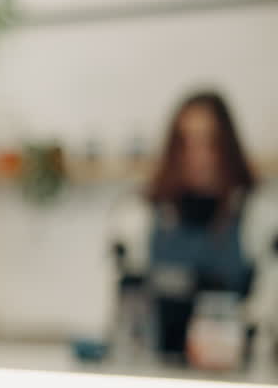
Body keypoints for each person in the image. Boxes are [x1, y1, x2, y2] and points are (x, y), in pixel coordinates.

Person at [111, 90, 266, 360]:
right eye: (186, 143)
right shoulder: (142, 215)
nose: (197, 156)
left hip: (233, 370)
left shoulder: (258, 215)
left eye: (209, 142)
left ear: (227, 146)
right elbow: (125, 313)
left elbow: (266, 314)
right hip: (156, 368)